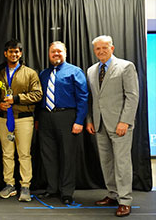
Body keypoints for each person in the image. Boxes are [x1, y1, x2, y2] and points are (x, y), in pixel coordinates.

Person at [86, 35, 139, 217]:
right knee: (107, 162)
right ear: (94, 51)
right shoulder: (91, 70)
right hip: (99, 124)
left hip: (120, 124)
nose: (101, 51)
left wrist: (125, 121)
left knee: (122, 163)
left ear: (112, 48)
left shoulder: (126, 67)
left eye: (104, 48)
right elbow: (92, 98)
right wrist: (90, 120)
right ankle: (113, 194)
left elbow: (132, 96)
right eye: (97, 49)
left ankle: (125, 200)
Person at [36, 41, 88, 205]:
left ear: (65, 53)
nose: (56, 54)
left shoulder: (75, 71)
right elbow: (38, 99)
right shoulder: (43, 74)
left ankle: (66, 192)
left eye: (59, 51)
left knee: (67, 155)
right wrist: (38, 119)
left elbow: (83, 97)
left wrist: (79, 121)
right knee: (48, 155)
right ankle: (52, 188)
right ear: (49, 54)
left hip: (67, 117)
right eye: (53, 52)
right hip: (45, 117)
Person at [0, 40, 42, 202]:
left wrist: (16, 99)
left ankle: (25, 186)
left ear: (21, 54)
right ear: (5, 53)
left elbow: (37, 95)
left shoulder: (30, 73)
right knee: (7, 154)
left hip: (23, 119)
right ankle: (9, 185)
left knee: (24, 154)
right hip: (3, 119)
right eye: (10, 51)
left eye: (17, 52)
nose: (14, 54)